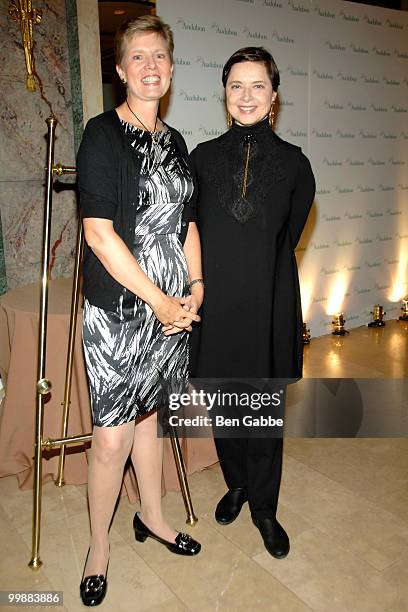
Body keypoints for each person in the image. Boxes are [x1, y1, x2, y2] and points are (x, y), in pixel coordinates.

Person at [76, 15, 204, 606]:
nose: (151, 66)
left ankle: (152, 515)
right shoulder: (102, 135)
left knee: (151, 419)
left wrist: (195, 288)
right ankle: (98, 545)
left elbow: (187, 224)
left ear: (171, 68)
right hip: (122, 310)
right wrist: (160, 302)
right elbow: (99, 234)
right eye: (138, 57)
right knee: (110, 440)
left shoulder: (176, 142)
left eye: (160, 56)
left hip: (173, 309)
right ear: (121, 70)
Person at [189, 47, 315, 559]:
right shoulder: (199, 158)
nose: (246, 96)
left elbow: (290, 234)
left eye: (257, 85)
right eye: (236, 85)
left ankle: (264, 506)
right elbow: (190, 230)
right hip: (216, 308)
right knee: (224, 407)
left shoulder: (294, 165)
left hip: (267, 305)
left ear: (274, 97)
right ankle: (237, 483)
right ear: (224, 94)